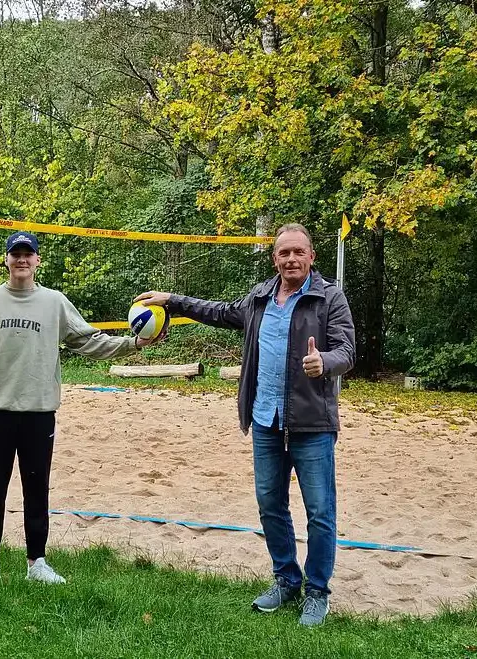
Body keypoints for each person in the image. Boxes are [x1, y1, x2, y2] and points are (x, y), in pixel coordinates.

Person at [135, 223, 354, 626]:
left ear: (312, 257)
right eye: (283, 253)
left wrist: (325, 362)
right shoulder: (260, 297)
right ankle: (286, 580)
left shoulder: (329, 299)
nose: (291, 259)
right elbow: (217, 312)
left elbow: (347, 350)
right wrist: (173, 300)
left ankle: (317, 593)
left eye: (298, 252)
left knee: (320, 512)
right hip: (265, 421)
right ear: (275, 259)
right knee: (271, 505)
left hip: (311, 425)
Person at [0, 230, 163, 588]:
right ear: (6, 260)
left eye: (28, 254)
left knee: (37, 490)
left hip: (39, 413)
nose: (22, 260)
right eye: (15, 254)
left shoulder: (54, 302)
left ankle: (37, 562)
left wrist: (133, 344)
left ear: (37, 260)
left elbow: (89, 340)